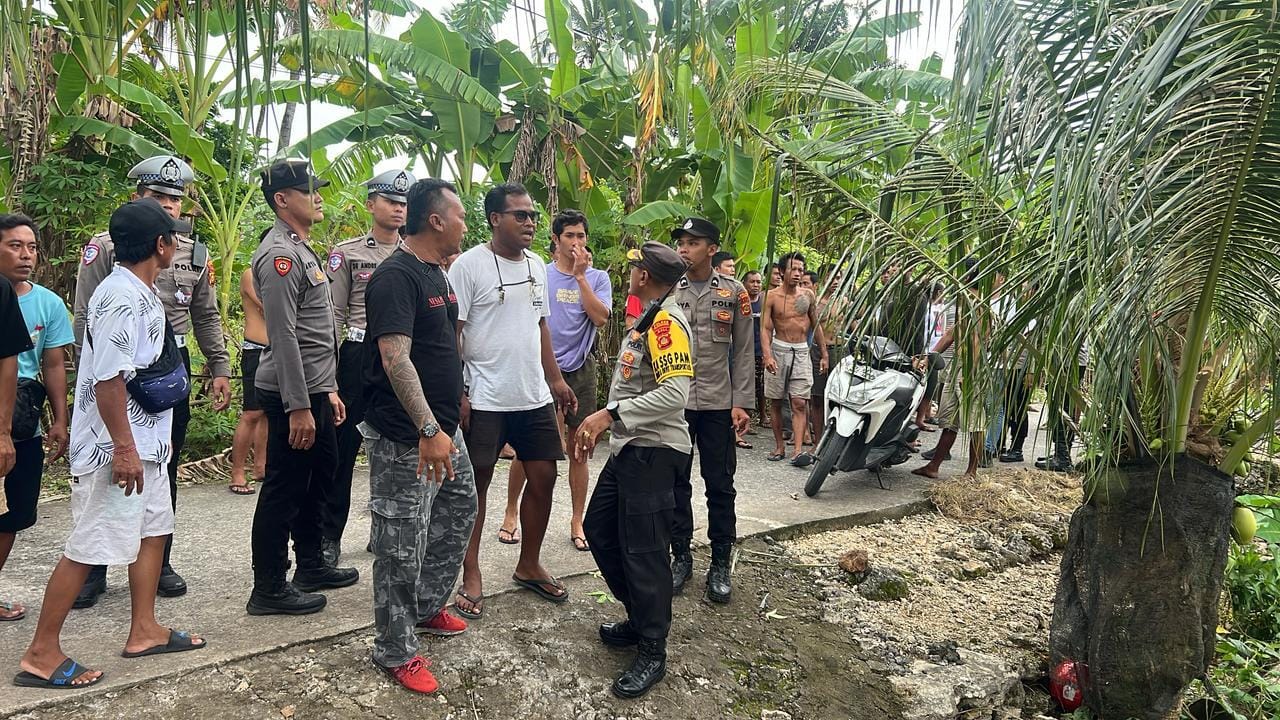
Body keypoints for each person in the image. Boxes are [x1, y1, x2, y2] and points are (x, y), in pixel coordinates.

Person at [18, 198, 205, 691]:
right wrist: (123, 448)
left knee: (153, 530)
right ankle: (41, 652)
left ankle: (144, 629)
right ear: (161, 245)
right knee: (90, 544)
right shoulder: (121, 297)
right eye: (173, 236)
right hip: (116, 449)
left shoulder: (139, 291)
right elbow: (108, 380)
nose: (177, 243)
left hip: (147, 444)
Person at [71, 155, 231, 608]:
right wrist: (88, 375)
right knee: (109, 462)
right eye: (158, 195)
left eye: (175, 198)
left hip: (169, 366)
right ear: (137, 197)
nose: (168, 205)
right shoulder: (109, 247)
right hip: (115, 367)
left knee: (163, 462)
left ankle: (159, 562)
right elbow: (84, 314)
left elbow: (205, 315)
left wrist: (219, 366)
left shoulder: (193, 253)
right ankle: (93, 567)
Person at [362, 178, 476, 694]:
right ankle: (395, 649)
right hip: (407, 437)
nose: (465, 225)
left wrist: (454, 404)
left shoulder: (436, 272)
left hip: (444, 429)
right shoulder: (396, 276)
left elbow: (441, 347)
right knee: (401, 542)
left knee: (459, 507)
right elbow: (395, 358)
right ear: (435, 220)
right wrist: (427, 427)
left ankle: (428, 608)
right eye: (460, 215)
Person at [449, 182, 576, 619]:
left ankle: (529, 564)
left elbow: (540, 325)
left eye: (533, 215)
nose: (530, 222)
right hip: (484, 396)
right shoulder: (468, 266)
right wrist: (457, 392)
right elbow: (453, 333)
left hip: (532, 395)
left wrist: (555, 380)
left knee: (544, 477)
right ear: (494, 219)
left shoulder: (538, 265)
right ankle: (471, 573)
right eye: (520, 215)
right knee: (477, 487)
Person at [576, 241, 692, 699]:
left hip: (654, 452)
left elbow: (675, 394)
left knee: (645, 553)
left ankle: (652, 648)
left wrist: (610, 415)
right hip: (631, 449)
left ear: (644, 276)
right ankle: (640, 617)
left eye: (634, 269)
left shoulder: (665, 324)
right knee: (600, 529)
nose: (630, 275)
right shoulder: (649, 318)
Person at [246, 159, 357, 617]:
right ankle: (269, 586)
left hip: (314, 387)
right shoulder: (280, 255)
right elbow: (284, 334)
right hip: (291, 393)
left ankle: (311, 564)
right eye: (308, 190)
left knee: (321, 473)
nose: (318, 197)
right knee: (284, 487)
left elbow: (317, 331)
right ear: (281, 199)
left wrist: (327, 388)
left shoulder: (302, 249)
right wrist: (297, 406)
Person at [498, 209, 611, 553]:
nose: (576, 242)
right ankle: (510, 511)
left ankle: (577, 520)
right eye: (569, 236)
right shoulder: (541, 275)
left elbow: (601, 318)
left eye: (581, 236)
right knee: (528, 447)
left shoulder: (598, 278)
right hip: (541, 369)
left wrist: (580, 277)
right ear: (555, 240)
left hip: (581, 370)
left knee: (580, 448)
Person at [323, 169, 416, 567]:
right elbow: (332, 314)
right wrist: (328, 372)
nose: (398, 209)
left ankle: (384, 532)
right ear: (370, 204)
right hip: (358, 355)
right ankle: (328, 537)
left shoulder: (415, 254)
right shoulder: (348, 253)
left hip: (401, 358)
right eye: (390, 201)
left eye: (403, 203)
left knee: (395, 447)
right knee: (342, 449)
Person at [670, 218, 753, 603]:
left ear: (712, 248)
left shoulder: (734, 293)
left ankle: (720, 563)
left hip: (719, 405)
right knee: (675, 483)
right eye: (681, 243)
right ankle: (681, 557)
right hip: (678, 403)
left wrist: (741, 402)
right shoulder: (671, 290)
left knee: (720, 484)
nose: (684, 249)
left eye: (692, 242)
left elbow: (744, 351)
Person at [0, 215, 72, 621]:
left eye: (31, 247)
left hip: (25, 419)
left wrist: (60, 420)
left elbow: (53, 363)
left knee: (14, 512)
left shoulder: (48, 303)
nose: (26, 255)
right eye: (15, 246)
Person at [913, 262, 988, 480]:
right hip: (958, 365)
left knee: (975, 421)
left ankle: (972, 471)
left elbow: (978, 340)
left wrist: (969, 373)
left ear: (966, 277)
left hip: (970, 368)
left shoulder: (979, 305)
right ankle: (933, 465)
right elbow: (951, 334)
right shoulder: (965, 302)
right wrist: (929, 357)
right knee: (949, 420)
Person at [762, 252, 826, 466]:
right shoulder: (771, 296)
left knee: (799, 401)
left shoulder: (808, 295)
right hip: (779, 349)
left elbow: (816, 324)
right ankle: (779, 446)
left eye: (801, 269)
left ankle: (798, 450)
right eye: (793, 269)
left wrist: (824, 354)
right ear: (782, 271)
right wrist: (767, 355)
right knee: (776, 400)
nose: (798, 273)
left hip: (801, 351)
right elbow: (765, 328)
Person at [228, 264, 268, 495]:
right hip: (256, 349)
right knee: (252, 413)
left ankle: (261, 467)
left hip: (278, 349)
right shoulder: (250, 274)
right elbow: (270, 306)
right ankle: (237, 472)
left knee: (268, 412)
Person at [744, 270, 767, 428]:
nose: (756, 285)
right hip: (745, 350)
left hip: (761, 349)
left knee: (762, 385)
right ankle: (748, 418)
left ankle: (764, 415)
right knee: (747, 385)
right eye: (752, 282)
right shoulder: (742, 302)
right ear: (745, 283)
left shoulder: (764, 302)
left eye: (758, 282)